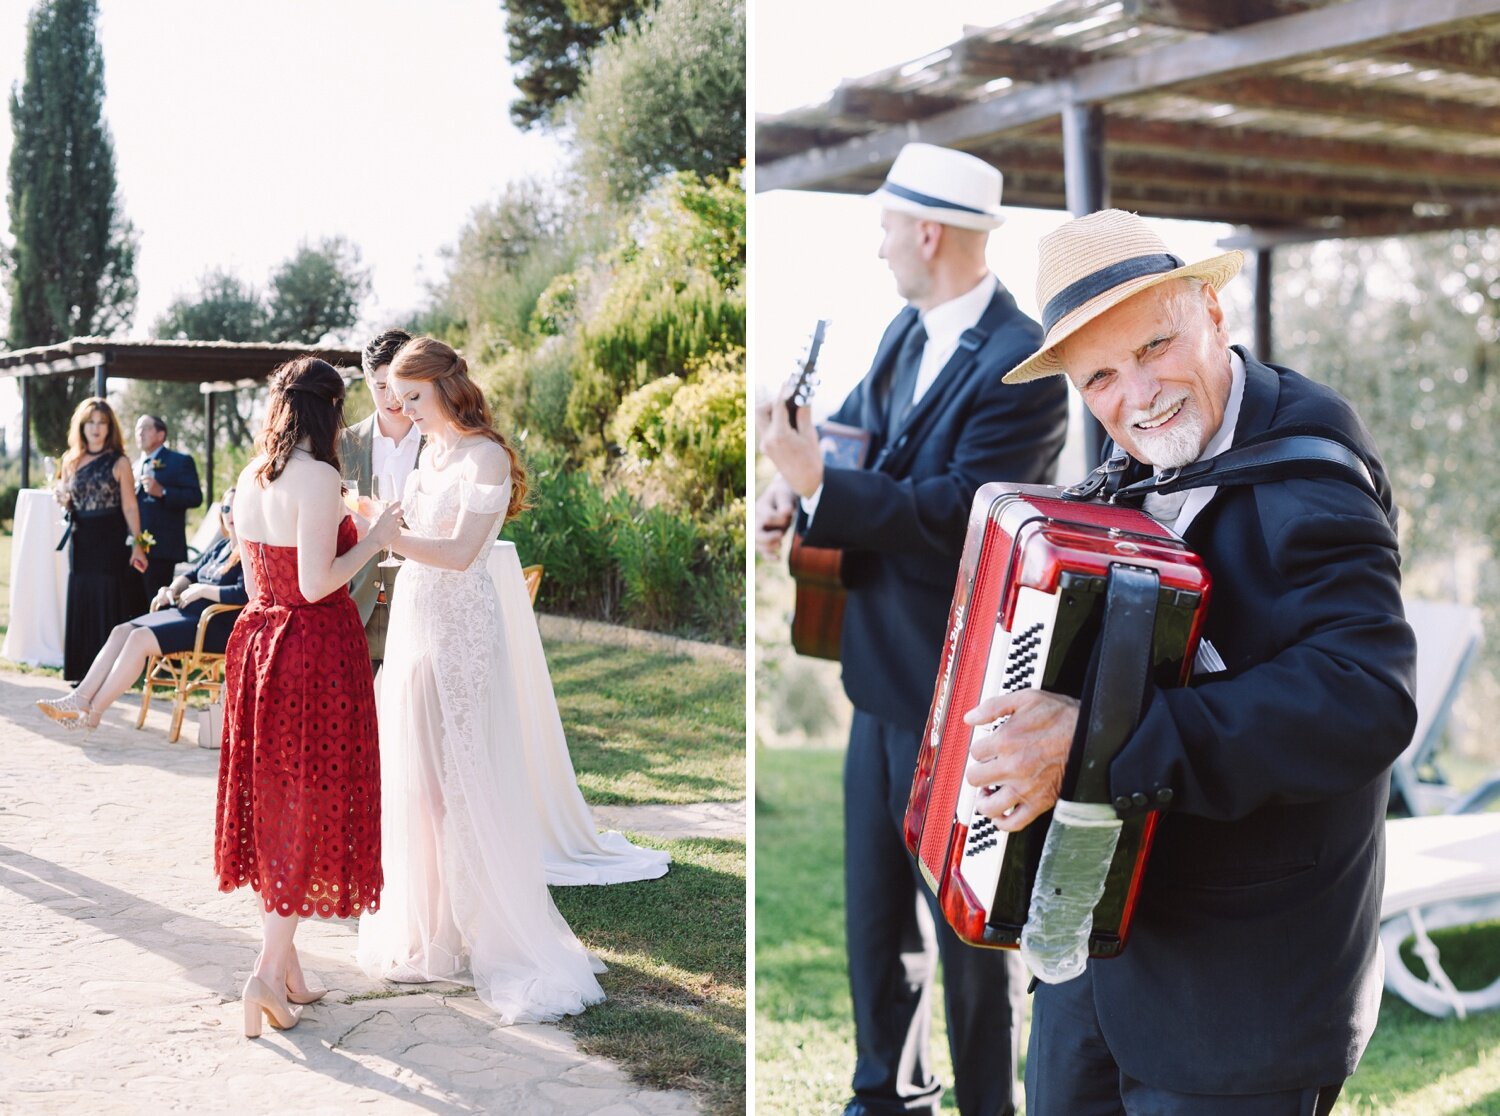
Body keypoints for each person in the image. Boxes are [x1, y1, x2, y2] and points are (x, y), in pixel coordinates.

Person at [964, 209, 1418, 1116]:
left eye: (1155, 346)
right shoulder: (1134, 450)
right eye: (1100, 376)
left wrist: (1092, 742)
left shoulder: (1309, 473)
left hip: (1239, 996)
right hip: (1098, 963)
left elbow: (1365, 698)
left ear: (1213, 309)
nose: (1138, 395)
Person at [756, 143, 1071, 1116]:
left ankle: (985, 1105)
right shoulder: (904, 329)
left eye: (888, 226)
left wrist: (820, 485)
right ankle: (882, 1098)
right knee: (876, 917)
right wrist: (789, 495)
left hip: (969, 694)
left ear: (927, 232)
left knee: (971, 931)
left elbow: (954, 511)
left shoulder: (1025, 362)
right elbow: (850, 440)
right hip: (877, 678)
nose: (880, 245)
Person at [355, 336, 605, 1023]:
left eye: (413, 396)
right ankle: (436, 934)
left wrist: (383, 537)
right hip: (414, 621)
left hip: (462, 629)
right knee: (422, 785)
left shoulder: (484, 454)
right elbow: (410, 533)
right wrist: (376, 524)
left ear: (444, 385)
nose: (403, 410)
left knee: (466, 781)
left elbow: (463, 553)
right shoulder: (430, 453)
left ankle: (493, 932)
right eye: (397, 398)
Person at [213, 358, 402, 1038]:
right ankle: (266, 973)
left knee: (277, 804)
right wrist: (376, 540)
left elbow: (263, 568)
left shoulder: (250, 473)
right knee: (307, 808)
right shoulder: (319, 478)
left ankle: (287, 971)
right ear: (327, 408)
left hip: (258, 644)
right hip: (312, 653)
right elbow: (320, 582)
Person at [36, 488, 246, 733]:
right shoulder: (220, 547)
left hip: (211, 624)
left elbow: (243, 594)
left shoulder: (248, 550)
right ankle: (80, 699)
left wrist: (203, 591)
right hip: (184, 615)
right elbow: (189, 575)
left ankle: (93, 712)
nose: (230, 514)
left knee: (139, 638)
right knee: (121, 630)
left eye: (236, 508)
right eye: (226, 508)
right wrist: (170, 588)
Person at [51, 397, 150, 687]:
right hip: (81, 539)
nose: (96, 428)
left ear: (109, 428)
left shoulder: (119, 462)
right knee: (81, 595)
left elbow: (131, 507)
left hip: (111, 537)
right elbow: (70, 502)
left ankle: (109, 672)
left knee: (107, 596)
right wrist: (64, 500)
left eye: (102, 423)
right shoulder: (71, 460)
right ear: (81, 427)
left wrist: (137, 543)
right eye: (90, 422)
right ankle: (81, 671)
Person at [338, 328, 419, 669]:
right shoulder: (342, 445)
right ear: (367, 381)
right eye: (381, 386)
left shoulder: (442, 444)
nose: (392, 398)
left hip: (420, 606)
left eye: (399, 385)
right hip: (357, 604)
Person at [133, 413, 203, 598]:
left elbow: (195, 497)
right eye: (137, 429)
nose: (140, 433)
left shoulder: (179, 461)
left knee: (156, 601)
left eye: (146, 428)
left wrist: (163, 492)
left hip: (162, 549)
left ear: (160, 435)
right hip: (133, 547)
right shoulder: (133, 466)